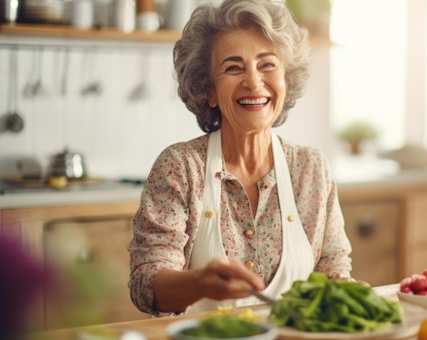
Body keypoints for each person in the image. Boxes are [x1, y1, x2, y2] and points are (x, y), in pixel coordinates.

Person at [128, 0, 354, 316]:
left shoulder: (311, 169)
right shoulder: (180, 167)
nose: (253, 81)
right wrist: (198, 284)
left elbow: (334, 270)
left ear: (286, 81)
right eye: (234, 67)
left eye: (268, 64)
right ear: (209, 89)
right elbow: (146, 284)